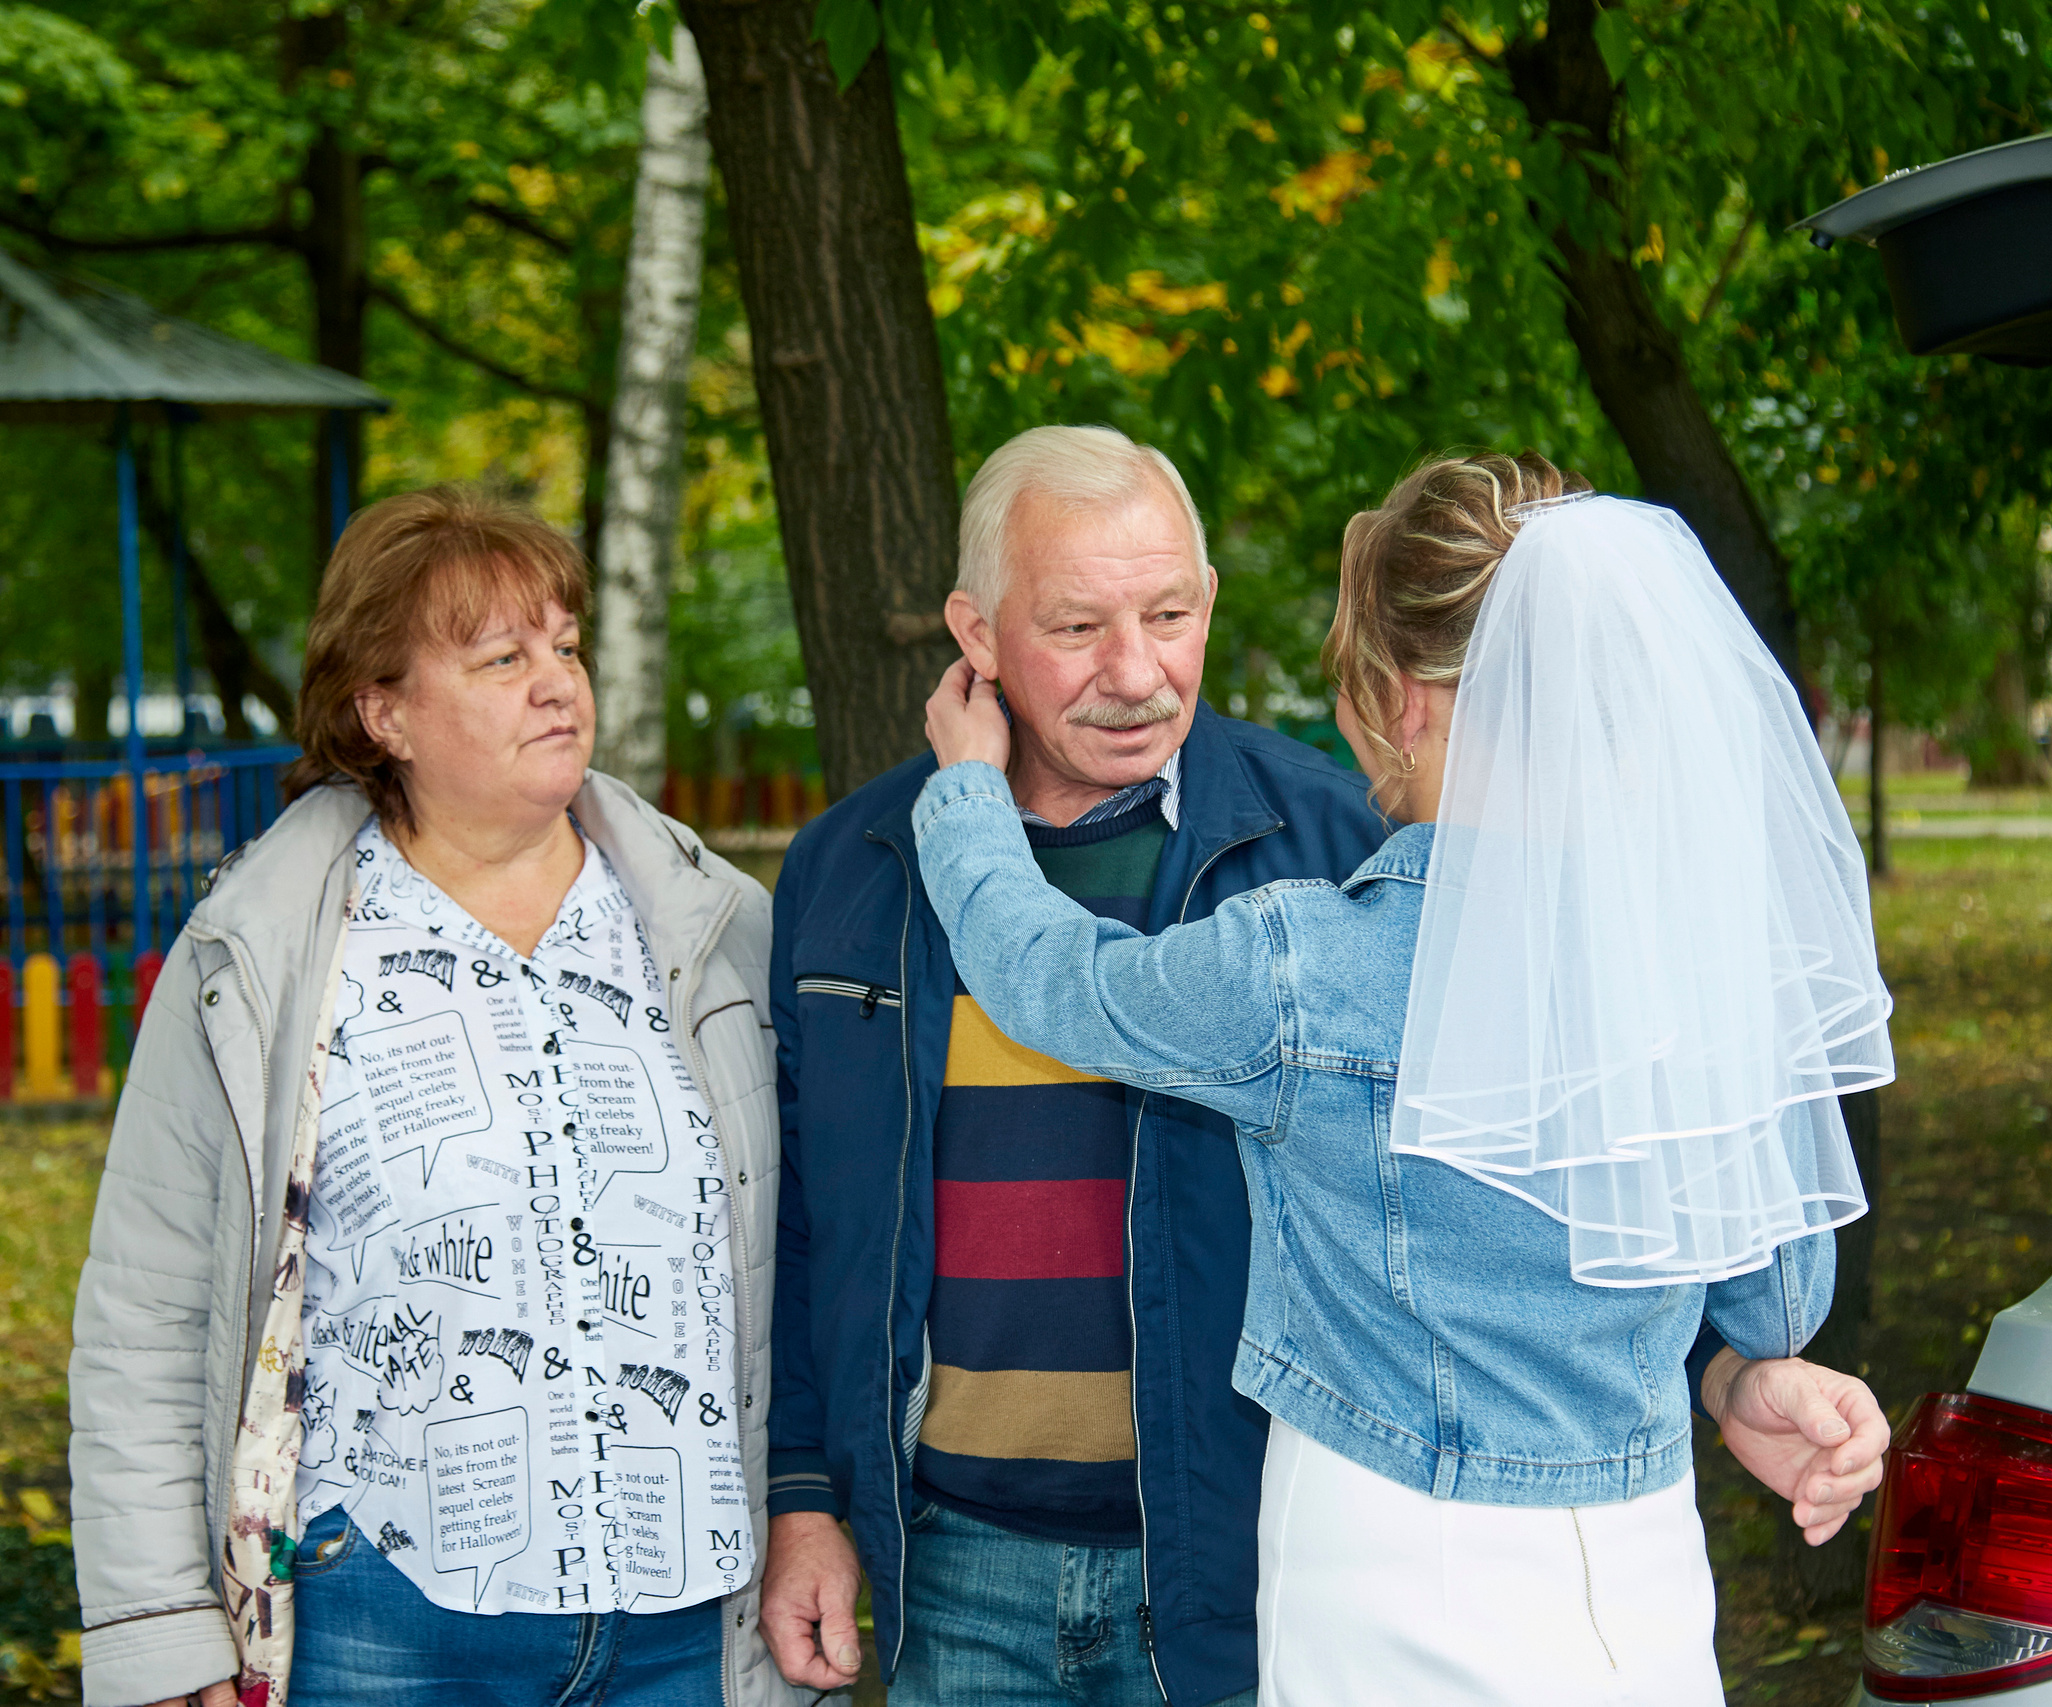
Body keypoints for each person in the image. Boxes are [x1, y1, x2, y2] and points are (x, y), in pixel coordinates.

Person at [759, 427, 1892, 1707]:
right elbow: (1730, 1251)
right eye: (1079, 626)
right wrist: (1750, 1366)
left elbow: (1049, 984)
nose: (1134, 670)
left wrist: (960, 805)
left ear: (1401, 698)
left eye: (1171, 612)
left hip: (1350, 1570)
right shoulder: (1695, 957)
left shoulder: (1316, 937)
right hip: (1628, 1577)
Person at [68, 486, 794, 1707]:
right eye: (502, 657)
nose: (558, 682)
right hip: (387, 1625)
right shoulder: (257, 954)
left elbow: (805, 1257)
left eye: (563, 647)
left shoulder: (711, 929)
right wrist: (159, 1633)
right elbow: (148, 1305)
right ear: (384, 711)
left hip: (691, 1620)